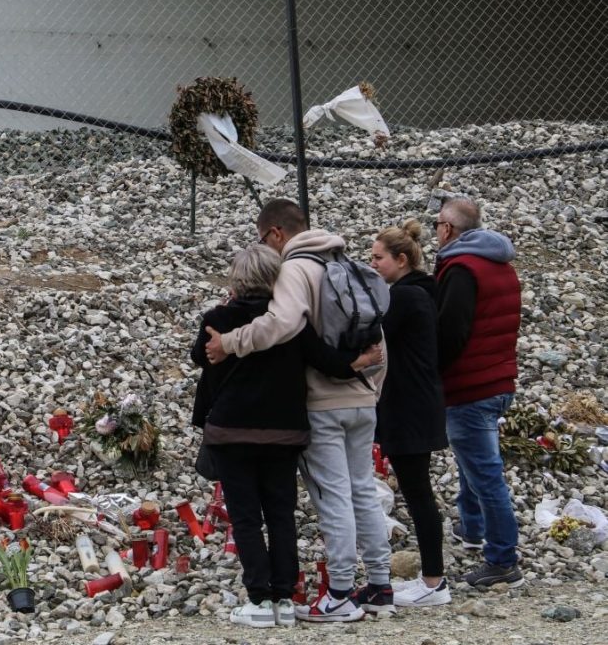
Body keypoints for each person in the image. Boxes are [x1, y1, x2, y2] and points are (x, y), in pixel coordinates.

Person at [204, 199, 393, 622]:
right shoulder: (343, 261)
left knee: (333, 495)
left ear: (275, 233)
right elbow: (378, 336)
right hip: (362, 397)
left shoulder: (295, 269)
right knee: (363, 489)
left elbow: (283, 324)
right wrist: (370, 386)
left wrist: (229, 343)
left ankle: (340, 593)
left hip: (324, 403)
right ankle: (380, 585)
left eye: (262, 239)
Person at [434, 196, 523, 588]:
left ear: (448, 229)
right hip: (499, 380)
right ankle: (472, 529)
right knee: (474, 462)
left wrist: (429, 370)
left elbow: (450, 334)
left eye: (438, 225)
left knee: (485, 475)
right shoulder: (501, 265)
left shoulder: (460, 269)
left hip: (470, 386)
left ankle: (503, 560)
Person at [368, 221, 450, 607]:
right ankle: (432, 578)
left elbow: (370, 338)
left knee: (418, 494)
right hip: (419, 404)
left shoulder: (402, 298)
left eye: (378, 258)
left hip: (408, 408)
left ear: (401, 260)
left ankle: (433, 581)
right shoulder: (422, 292)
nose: (372, 264)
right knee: (419, 492)